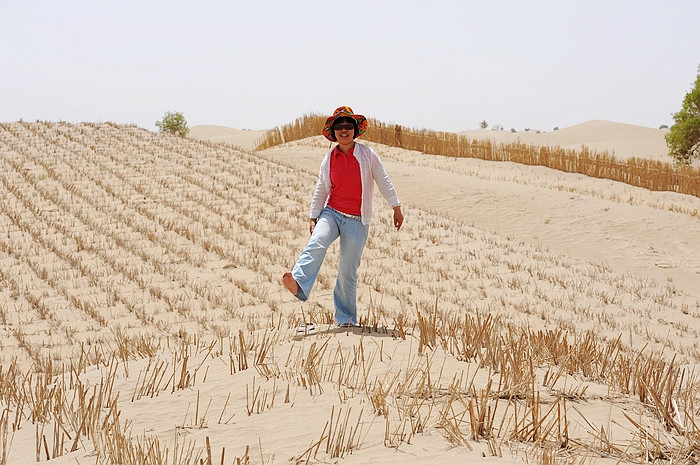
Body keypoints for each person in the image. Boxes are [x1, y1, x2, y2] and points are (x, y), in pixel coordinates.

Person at [283, 106, 404, 328]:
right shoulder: (329, 158)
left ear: (355, 131)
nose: (344, 130)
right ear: (334, 132)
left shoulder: (367, 155)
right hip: (332, 213)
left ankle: (346, 320)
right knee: (317, 241)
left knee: (347, 272)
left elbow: (383, 179)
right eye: (339, 127)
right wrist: (313, 216)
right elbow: (322, 188)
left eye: (348, 126)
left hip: (358, 220)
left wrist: (395, 206)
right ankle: (299, 282)